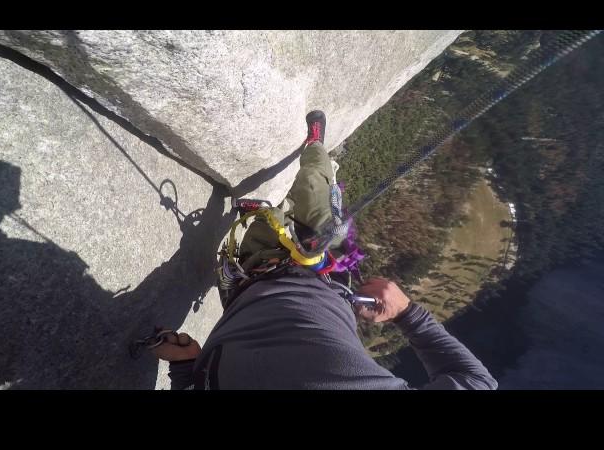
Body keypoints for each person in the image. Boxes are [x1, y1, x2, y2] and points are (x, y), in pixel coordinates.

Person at [151, 111, 498, 390]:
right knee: (321, 203)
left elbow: (476, 382)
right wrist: (408, 314)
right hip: (317, 286)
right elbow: (476, 381)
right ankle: (315, 147)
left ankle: (313, 164)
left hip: (254, 277)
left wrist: (186, 368)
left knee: (312, 212)